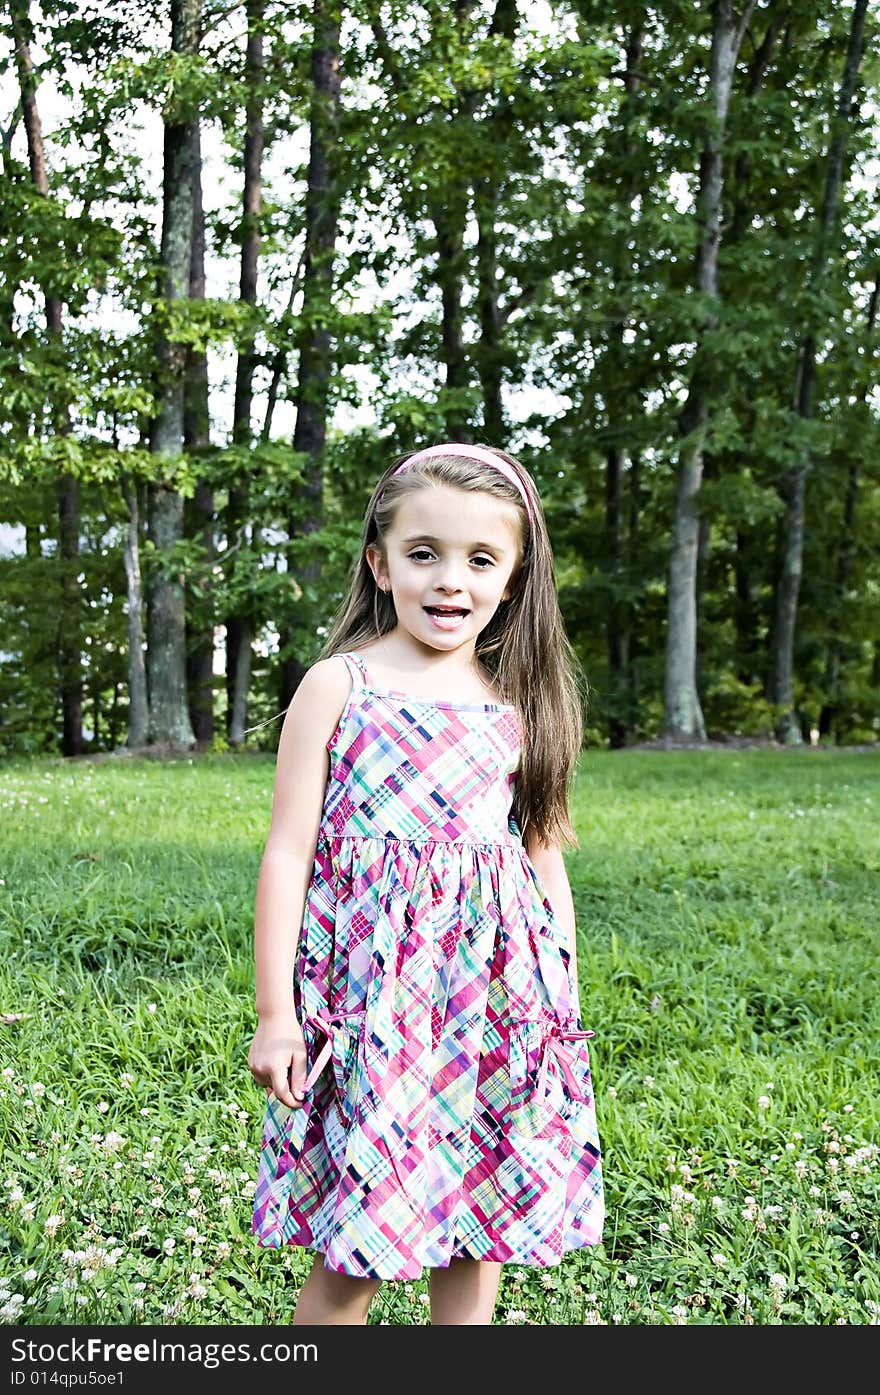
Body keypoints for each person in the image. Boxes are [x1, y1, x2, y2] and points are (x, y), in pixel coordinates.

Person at [247, 442, 604, 1325]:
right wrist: (274, 1012)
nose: (451, 581)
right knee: (357, 1240)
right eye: (424, 554)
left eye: (481, 559)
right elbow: (289, 850)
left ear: (515, 577)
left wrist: (558, 995)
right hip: (376, 1007)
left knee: (478, 1225)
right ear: (379, 561)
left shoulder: (518, 703)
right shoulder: (341, 684)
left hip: (494, 1004)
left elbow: (542, 857)